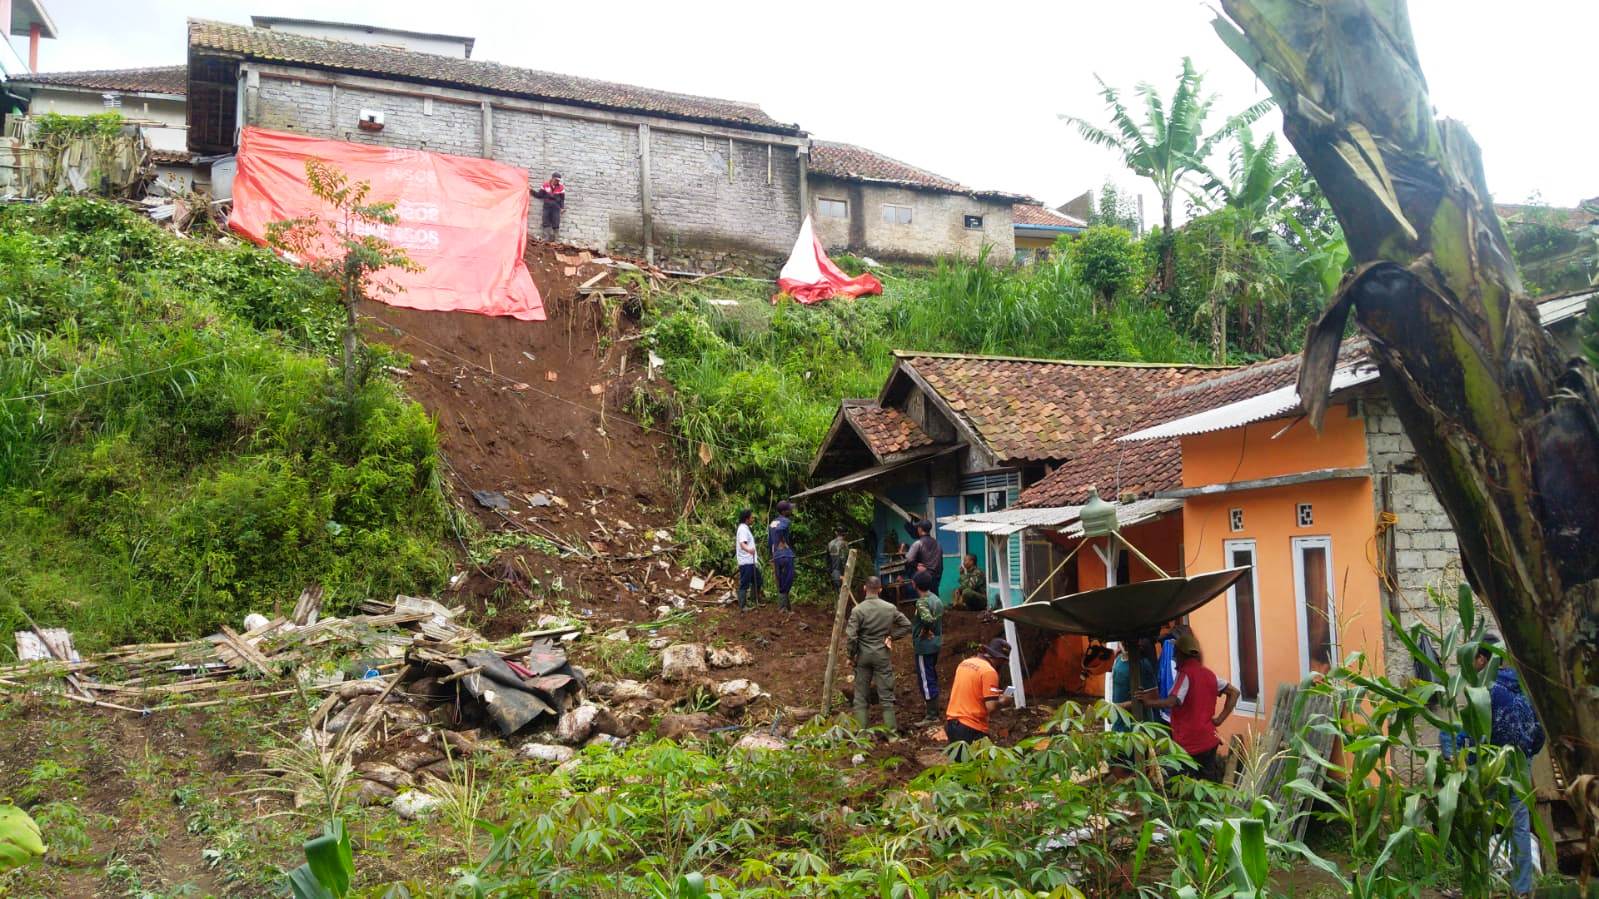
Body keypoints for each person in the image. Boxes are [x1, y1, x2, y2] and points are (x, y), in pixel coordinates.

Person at [1474, 634, 1545, 896]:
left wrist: (1466, 758)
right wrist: (1527, 755)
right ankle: (1522, 888)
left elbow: (1470, 730)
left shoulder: (1486, 691)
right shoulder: (1523, 688)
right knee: (1520, 825)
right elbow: (1539, 731)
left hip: (1490, 762)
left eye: (1473, 657)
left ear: (1482, 659)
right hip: (1519, 764)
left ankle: (1483, 882)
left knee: (1481, 819)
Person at [1139, 632, 1240, 781]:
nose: (1173, 657)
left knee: (1181, 781)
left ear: (1181, 654)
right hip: (1209, 739)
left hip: (1190, 743)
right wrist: (1219, 719)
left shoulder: (1185, 674)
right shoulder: (1209, 674)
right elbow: (1235, 692)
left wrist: (1148, 702)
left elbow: (1172, 701)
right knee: (1207, 782)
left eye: (1175, 653)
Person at [844, 576, 912, 733]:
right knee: (887, 698)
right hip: (882, 655)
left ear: (864, 588)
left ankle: (861, 735)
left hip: (863, 656)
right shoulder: (889, 608)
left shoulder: (857, 610)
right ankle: (892, 735)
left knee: (860, 697)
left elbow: (852, 637)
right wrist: (891, 636)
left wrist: (850, 656)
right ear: (880, 589)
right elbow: (907, 625)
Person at [945, 638, 1015, 750]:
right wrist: (1004, 701)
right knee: (981, 765)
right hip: (971, 727)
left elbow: (972, 689)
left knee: (960, 765)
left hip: (952, 723)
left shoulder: (965, 663)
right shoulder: (989, 671)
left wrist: (993, 694)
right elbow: (991, 707)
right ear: (999, 658)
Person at [910, 570, 946, 726]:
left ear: (914, 584)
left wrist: (925, 630)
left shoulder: (922, 602)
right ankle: (933, 710)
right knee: (931, 675)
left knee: (925, 679)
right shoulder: (936, 599)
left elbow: (927, 619)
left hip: (924, 647)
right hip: (935, 644)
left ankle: (932, 715)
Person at [1110, 639, 1159, 733]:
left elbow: (1153, 697)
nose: (1125, 642)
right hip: (1119, 724)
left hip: (1137, 726)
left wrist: (1118, 707)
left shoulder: (1143, 664)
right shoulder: (1118, 660)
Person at [768, 501, 797, 611]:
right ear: (784, 511)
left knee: (780, 580)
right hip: (785, 554)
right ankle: (783, 607)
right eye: (789, 509)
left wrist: (771, 555)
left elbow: (769, 541)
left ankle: (784, 606)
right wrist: (782, 541)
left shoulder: (772, 523)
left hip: (776, 555)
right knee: (788, 579)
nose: (791, 511)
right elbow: (780, 529)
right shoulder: (786, 521)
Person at [903, 519, 943, 588]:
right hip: (936, 577)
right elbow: (941, 563)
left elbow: (908, 559)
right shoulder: (938, 544)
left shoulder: (918, 543)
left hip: (924, 579)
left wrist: (916, 565)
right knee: (934, 596)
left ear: (920, 529)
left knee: (925, 597)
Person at [734, 509, 760, 611]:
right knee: (744, 583)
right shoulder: (743, 529)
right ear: (747, 518)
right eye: (751, 517)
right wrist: (749, 549)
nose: (753, 519)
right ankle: (743, 606)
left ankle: (754, 600)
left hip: (750, 561)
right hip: (746, 561)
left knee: (758, 580)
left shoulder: (745, 528)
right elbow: (742, 543)